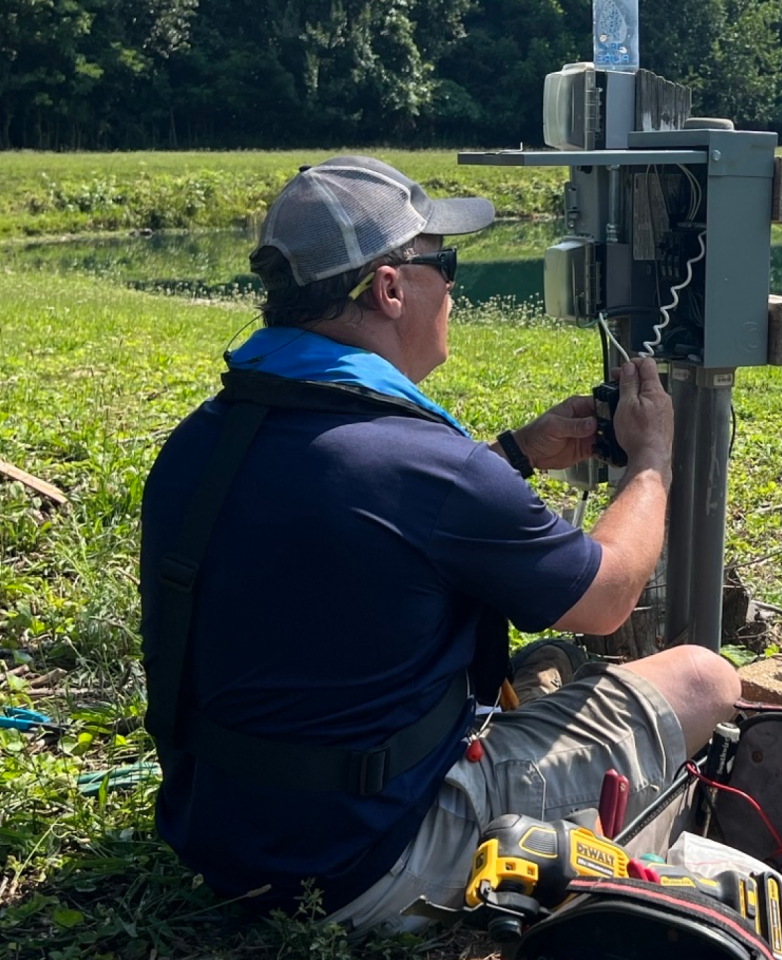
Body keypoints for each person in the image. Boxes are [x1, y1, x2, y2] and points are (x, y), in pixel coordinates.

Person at [138, 156, 741, 933]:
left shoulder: (203, 439)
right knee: (702, 680)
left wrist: (514, 455)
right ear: (390, 289)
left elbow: (350, 530)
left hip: (216, 837)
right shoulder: (429, 470)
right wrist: (653, 456)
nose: (453, 288)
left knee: (543, 673)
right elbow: (608, 594)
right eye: (443, 265)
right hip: (363, 863)